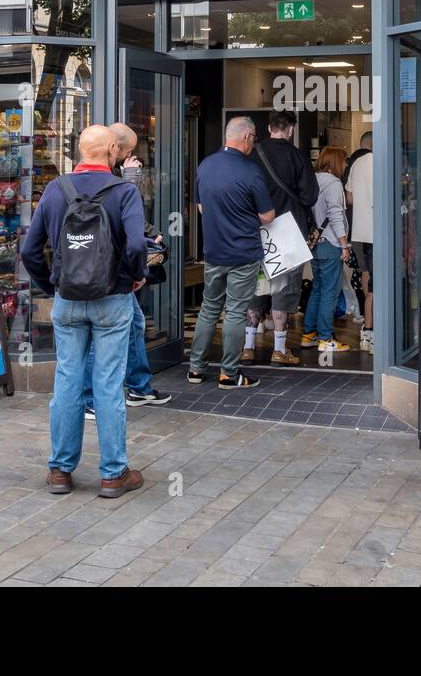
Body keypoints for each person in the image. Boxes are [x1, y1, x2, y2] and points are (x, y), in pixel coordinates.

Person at [20, 124, 146, 498]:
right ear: (111, 149)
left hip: (68, 300)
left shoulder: (56, 190)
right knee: (108, 384)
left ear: (79, 151)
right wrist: (135, 277)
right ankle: (112, 474)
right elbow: (137, 244)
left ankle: (60, 471)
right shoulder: (125, 191)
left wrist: (51, 285)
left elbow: (29, 251)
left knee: (67, 382)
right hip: (113, 299)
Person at [80, 123, 172, 420]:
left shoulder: (115, 173)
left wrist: (148, 234)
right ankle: (89, 399)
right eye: (128, 152)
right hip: (101, 272)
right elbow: (117, 211)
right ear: (114, 149)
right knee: (98, 333)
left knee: (134, 324)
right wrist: (138, 272)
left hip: (113, 270)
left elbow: (130, 221)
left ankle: (138, 386)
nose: (131, 158)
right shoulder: (96, 175)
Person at [190, 116, 275, 388]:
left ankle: (196, 369)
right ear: (248, 137)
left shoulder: (205, 166)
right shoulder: (251, 172)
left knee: (208, 309)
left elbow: (201, 207)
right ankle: (229, 373)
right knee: (236, 312)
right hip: (243, 253)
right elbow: (267, 215)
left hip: (213, 251)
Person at [248, 110, 318, 366]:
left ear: (269, 128)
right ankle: (279, 349)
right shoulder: (298, 156)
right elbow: (310, 196)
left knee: (256, 287)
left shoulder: (254, 154)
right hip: (289, 231)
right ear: (290, 130)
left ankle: (247, 346)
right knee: (283, 289)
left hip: (257, 230)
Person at [303, 146, 351, 351]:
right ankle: (325, 338)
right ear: (335, 162)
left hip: (315, 243)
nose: (346, 164)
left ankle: (309, 333)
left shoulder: (312, 180)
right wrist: (344, 245)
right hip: (331, 243)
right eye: (344, 160)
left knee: (318, 289)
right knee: (330, 291)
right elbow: (335, 215)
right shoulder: (333, 183)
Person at [345, 135, 374, 352]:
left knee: (365, 274)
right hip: (378, 231)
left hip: (358, 230)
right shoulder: (383, 160)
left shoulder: (356, 163)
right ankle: (373, 329)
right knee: (379, 281)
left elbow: (350, 199)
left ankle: (367, 324)